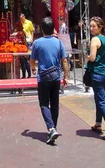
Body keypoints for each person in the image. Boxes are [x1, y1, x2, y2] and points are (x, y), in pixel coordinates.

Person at [30, 17, 69, 145]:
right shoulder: (58, 43)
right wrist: (66, 76)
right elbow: (64, 60)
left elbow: (32, 60)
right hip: (56, 77)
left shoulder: (37, 43)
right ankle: (54, 128)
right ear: (53, 29)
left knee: (44, 104)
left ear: (41, 29)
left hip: (43, 77)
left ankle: (51, 128)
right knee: (55, 104)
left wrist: (33, 68)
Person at [87, 17, 105, 141]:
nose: (91, 28)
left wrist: (87, 56)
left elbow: (93, 58)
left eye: (94, 26)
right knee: (99, 98)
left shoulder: (95, 39)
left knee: (101, 101)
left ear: (100, 27)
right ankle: (98, 124)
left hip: (97, 73)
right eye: (91, 26)